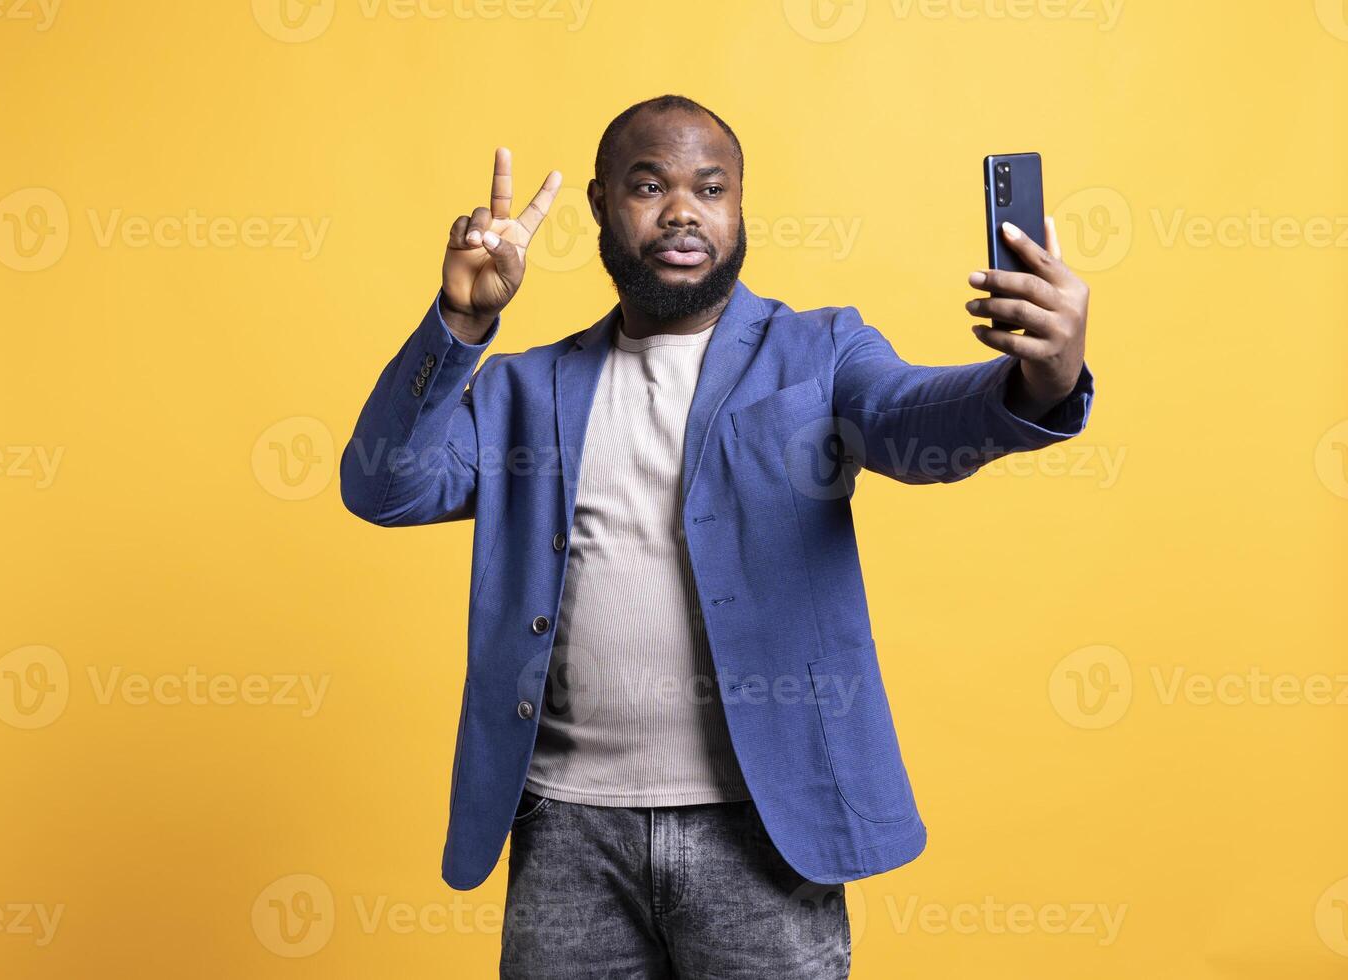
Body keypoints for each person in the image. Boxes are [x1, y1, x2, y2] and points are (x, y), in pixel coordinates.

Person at [340, 94, 1094, 978]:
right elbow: (383, 486)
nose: (681, 210)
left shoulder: (819, 353)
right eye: (648, 184)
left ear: (738, 207)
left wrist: (1039, 382)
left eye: (710, 187)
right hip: (565, 834)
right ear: (598, 205)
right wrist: (460, 322)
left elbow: (913, 418)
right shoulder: (520, 388)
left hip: (764, 830)